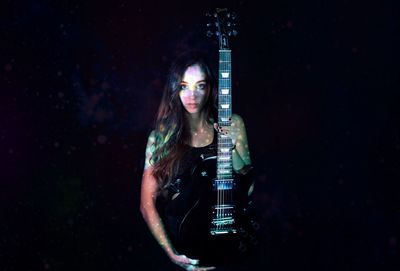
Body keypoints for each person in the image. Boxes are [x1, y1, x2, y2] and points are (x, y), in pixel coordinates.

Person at [140, 50, 255, 271]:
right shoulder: (160, 137)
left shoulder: (234, 123)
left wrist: (229, 147)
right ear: (175, 89)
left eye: (200, 86)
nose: (192, 96)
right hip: (185, 249)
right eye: (184, 86)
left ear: (210, 88)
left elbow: (248, 189)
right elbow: (147, 204)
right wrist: (172, 254)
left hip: (232, 244)